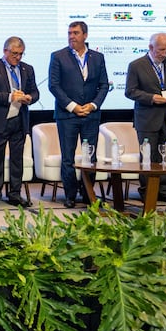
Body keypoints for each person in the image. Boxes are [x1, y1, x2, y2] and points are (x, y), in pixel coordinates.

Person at [48, 21, 109, 208]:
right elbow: (54, 85)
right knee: (68, 157)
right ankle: (70, 195)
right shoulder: (58, 56)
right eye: (69, 33)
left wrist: (93, 105)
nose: (71, 36)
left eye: (75, 33)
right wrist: (73, 106)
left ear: (85, 35)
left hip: (90, 115)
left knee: (90, 157)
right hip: (68, 115)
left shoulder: (97, 57)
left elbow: (104, 85)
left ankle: (88, 193)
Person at [125, 32, 166, 202]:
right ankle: (147, 191)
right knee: (148, 156)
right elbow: (130, 91)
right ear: (151, 47)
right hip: (147, 118)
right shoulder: (136, 65)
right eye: (160, 50)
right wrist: (151, 98)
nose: (164, 53)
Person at [0, 36, 39, 209]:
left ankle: (14, 194)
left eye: (21, 54)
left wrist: (30, 98)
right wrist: (9, 97)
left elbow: (35, 92)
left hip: (20, 120)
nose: (18, 57)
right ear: (5, 51)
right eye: (14, 53)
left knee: (17, 160)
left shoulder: (27, 69)